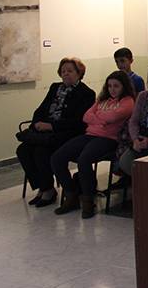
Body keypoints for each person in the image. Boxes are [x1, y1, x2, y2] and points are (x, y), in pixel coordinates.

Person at [51, 71, 135, 218]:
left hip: (109, 139)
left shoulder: (128, 101)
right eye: (109, 86)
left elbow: (113, 116)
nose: (112, 89)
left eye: (116, 86)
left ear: (124, 87)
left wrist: (97, 118)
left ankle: (88, 200)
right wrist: (102, 120)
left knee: (84, 160)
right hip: (90, 135)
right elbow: (86, 116)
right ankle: (71, 195)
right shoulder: (102, 100)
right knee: (57, 158)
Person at [16, 58, 96, 207]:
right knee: (23, 150)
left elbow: (78, 122)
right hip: (46, 132)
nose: (65, 74)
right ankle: (44, 187)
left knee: (41, 151)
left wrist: (51, 126)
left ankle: (48, 192)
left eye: (70, 71)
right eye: (63, 71)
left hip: (67, 134)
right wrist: (37, 124)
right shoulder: (55, 87)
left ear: (79, 73)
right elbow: (41, 109)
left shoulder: (86, 93)